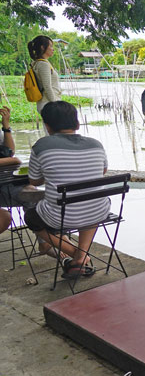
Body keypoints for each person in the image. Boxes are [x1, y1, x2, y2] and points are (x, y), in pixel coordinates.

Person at [24, 101, 109, 278]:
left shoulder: (41, 146)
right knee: (88, 201)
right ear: (77, 124)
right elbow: (102, 171)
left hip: (60, 218)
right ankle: (82, 255)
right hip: (98, 211)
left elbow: (34, 180)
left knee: (31, 217)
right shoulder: (96, 144)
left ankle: (76, 255)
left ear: (47, 126)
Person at [0, 106, 22, 234]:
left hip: (3, 185)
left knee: (31, 195)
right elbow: (13, 159)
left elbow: (10, 152)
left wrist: (6, 126)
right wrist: (11, 161)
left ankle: (44, 242)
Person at [28, 35, 62, 115]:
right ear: (43, 47)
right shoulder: (43, 64)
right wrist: (55, 104)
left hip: (46, 103)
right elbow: (47, 86)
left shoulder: (38, 63)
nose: (53, 49)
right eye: (50, 46)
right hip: (49, 104)